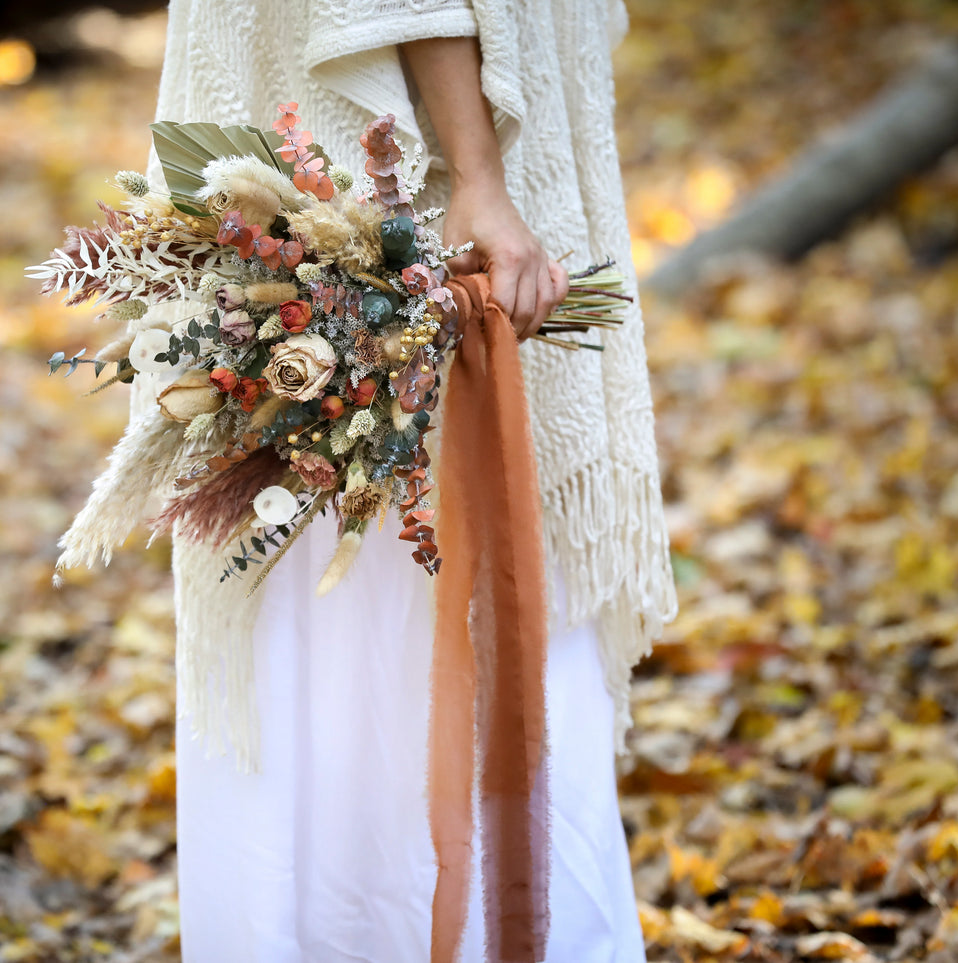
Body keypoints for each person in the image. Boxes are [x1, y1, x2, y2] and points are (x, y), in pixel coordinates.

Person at [140, 1, 679, 959]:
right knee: (375, 561)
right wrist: (477, 172)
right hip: (410, 182)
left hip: (388, 152)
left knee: (341, 584)